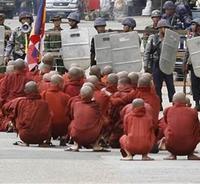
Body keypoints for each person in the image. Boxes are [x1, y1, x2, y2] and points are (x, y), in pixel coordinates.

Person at [2, 81, 52, 146]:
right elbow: (50, 119)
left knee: (17, 117)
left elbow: (5, 107)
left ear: (25, 91)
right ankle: (43, 142)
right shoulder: (45, 104)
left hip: (25, 136)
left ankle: (26, 142)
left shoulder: (20, 102)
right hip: (42, 136)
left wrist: (12, 118)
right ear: (38, 90)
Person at [144, 19, 175, 110]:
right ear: (159, 28)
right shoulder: (153, 38)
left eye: (166, 27)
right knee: (157, 86)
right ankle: (159, 103)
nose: (165, 29)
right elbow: (147, 52)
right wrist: (146, 65)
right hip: (156, 64)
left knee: (170, 85)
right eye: (163, 27)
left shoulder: (171, 39)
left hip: (167, 64)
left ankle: (174, 103)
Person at [163, 92, 200, 160]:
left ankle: (173, 154)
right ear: (186, 102)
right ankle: (190, 154)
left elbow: (165, 122)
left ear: (173, 102)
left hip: (172, 146)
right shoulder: (193, 112)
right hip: (190, 146)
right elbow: (197, 127)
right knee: (195, 128)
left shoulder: (168, 110)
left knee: (168, 127)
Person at [67, 85, 105, 151]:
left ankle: (76, 144)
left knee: (73, 122)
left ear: (80, 95)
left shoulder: (76, 104)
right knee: (104, 122)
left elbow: (71, 116)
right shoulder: (96, 105)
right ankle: (96, 145)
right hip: (93, 135)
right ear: (92, 95)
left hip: (76, 135)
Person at [41, 74, 70, 146]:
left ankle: (48, 139)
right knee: (66, 118)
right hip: (62, 125)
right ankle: (63, 137)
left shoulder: (43, 94)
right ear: (59, 84)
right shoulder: (66, 97)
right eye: (63, 83)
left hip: (48, 125)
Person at [184, 18, 200, 111]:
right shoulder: (191, 38)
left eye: (195, 25)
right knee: (195, 85)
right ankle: (197, 103)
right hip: (194, 65)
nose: (194, 27)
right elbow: (187, 52)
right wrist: (184, 63)